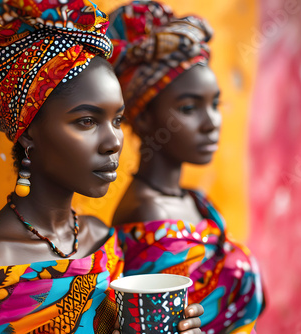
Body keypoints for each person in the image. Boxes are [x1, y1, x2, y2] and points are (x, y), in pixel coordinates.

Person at [0, 1, 203, 333]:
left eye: (117, 120)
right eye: (87, 121)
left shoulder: (104, 242)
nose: (113, 141)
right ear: (28, 131)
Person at [107, 1, 264, 333]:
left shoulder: (193, 200)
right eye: (189, 107)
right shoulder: (148, 214)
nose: (212, 123)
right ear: (144, 116)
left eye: (215, 104)